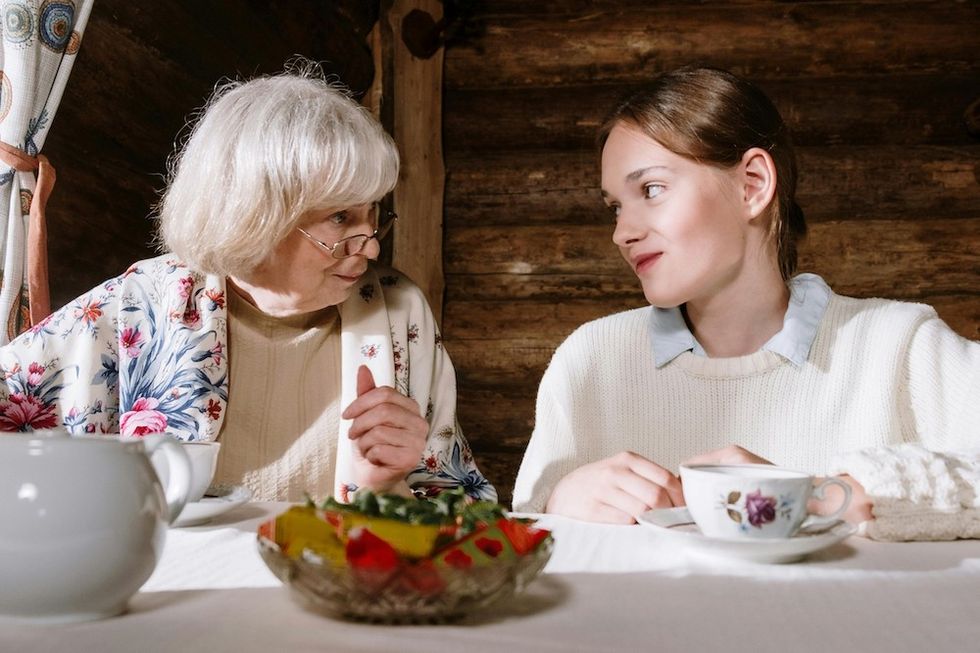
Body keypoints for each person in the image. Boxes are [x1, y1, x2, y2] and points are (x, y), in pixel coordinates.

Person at [511, 66, 979, 540]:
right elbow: (519, 536)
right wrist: (556, 502)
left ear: (752, 184)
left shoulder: (902, 345)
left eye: (651, 190)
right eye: (615, 206)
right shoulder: (590, 358)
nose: (622, 233)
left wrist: (816, 497)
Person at [0, 65, 496, 504]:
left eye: (373, 214)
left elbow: (464, 509)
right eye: (341, 217)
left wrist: (388, 487)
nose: (370, 249)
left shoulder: (398, 310)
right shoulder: (142, 302)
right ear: (255, 217)